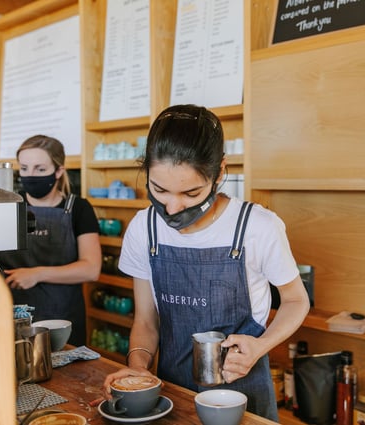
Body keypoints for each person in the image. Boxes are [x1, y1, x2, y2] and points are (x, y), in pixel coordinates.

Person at [102, 105, 310, 420]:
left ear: (220, 172)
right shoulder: (143, 228)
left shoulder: (257, 226)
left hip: (243, 391)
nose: (172, 208)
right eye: (159, 189)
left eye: (191, 192)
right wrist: (137, 369)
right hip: (172, 390)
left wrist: (260, 346)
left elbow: (296, 300)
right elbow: (146, 320)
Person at [0, 135, 102, 346]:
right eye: (24, 168)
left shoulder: (78, 209)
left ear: (59, 171)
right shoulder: (6, 207)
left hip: (62, 318)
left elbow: (91, 268)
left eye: (40, 169)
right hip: (12, 316)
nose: (30, 175)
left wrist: (37, 274)